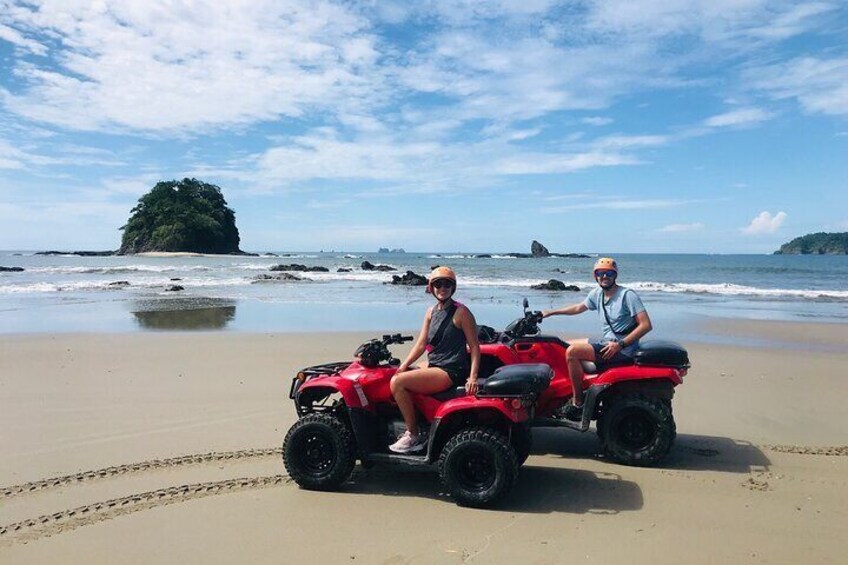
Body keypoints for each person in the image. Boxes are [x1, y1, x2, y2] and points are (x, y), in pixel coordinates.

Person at [541, 257, 652, 421]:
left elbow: (646, 325)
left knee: (572, 352)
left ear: (615, 275)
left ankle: (578, 403)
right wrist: (552, 312)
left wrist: (620, 345)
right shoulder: (598, 294)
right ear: (595, 276)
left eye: (608, 273)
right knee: (563, 345)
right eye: (600, 273)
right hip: (608, 342)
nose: (604, 276)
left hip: (623, 349)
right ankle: (569, 387)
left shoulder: (627, 296)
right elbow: (579, 307)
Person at [388, 266, 481, 453]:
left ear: (453, 288)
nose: (442, 288)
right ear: (431, 287)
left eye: (447, 284)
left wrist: (473, 377)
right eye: (438, 284)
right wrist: (403, 365)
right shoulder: (431, 311)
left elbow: (475, 347)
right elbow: (421, 344)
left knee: (397, 383)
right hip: (434, 364)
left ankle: (413, 435)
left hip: (450, 369)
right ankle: (420, 422)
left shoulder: (461, 313)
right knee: (395, 372)